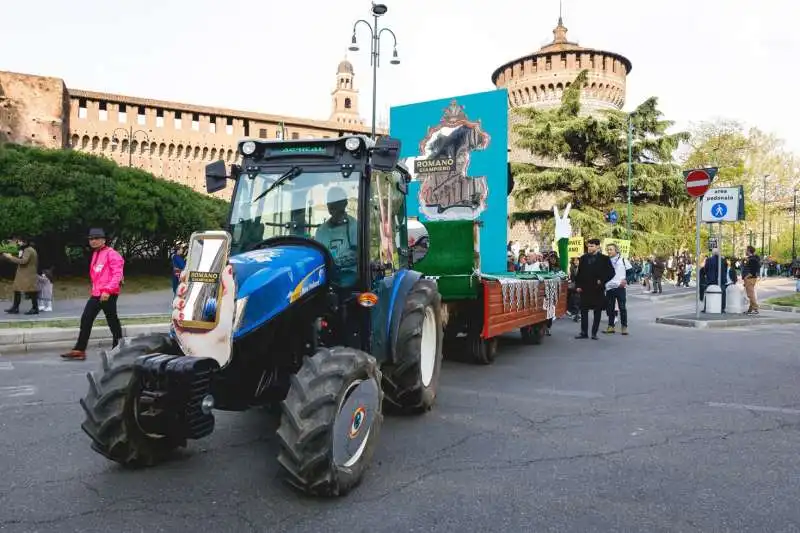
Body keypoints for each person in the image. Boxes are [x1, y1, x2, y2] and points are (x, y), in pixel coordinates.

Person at [60, 228, 125, 361]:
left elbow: (117, 274)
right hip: (97, 293)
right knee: (90, 319)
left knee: (109, 320)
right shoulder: (96, 254)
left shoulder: (112, 254)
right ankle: (80, 349)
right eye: (91, 239)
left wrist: (107, 291)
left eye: (96, 238)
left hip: (108, 293)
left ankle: (117, 347)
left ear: (103, 240)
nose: (93, 241)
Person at [314, 186, 358, 285]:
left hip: (348, 274)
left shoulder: (354, 226)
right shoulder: (321, 230)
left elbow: (358, 254)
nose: (332, 205)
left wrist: (337, 263)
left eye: (336, 201)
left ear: (344, 204)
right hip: (325, 275)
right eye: (330, 201)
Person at [574, 238, 614, 340]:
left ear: (597, 247)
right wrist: (578, 286)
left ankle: (594, 333)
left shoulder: (604, 258)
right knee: (583, 311)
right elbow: (579, 273)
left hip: (597, 289)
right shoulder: (583, 258)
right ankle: (584, 332)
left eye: (592, 246)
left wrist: (602, 280)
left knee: (597, 311)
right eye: (588, 246)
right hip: (585, 289)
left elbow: (611, 272)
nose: (589, 248)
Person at [2, 236, 40, 315]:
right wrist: (11, 257)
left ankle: (35, 308)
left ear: (24, 242)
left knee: (31, 290)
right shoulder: (26, 249)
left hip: (27, 274)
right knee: (17, 289)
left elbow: (23, 261)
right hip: (24, 273)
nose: (17, 243)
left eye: (19, 241)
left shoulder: (28, 250)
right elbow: (21, 259)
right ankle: (15, 307)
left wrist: (10, 257)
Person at [603, 243, 630, 335]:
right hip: (609, 288)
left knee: (622, 308)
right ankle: (611, 327)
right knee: (610, 308)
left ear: (616, 250)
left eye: (611, 249)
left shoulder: (623, 260)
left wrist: (626, 280)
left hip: (620, 287)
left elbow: (631, 272)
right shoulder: (606, 261)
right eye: (608, 249)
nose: (609, 251)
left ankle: (624, 327)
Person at [742, 245, 761, 314]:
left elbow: (753, 270)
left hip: (750, 278)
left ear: (749, 251)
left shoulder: (752, 259)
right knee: (751, 294)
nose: (745, 251)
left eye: (746, 250)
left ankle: (755, 308)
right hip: (750, 278)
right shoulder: (752, 258)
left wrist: (746, 277)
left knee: (750, 294)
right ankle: (750, 309)